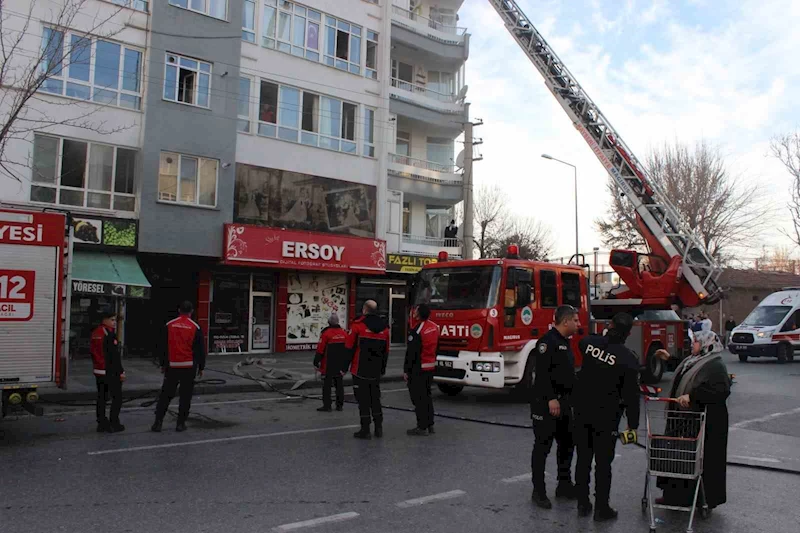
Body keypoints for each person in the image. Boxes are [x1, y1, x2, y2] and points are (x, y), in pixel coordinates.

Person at [573, 313, 641, 521]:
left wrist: (603, 337)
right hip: (607, 418)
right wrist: (633, 425)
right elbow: (631, 397)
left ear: (609, 325)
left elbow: (584, 341)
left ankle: (583, 503)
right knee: (603, 464)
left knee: (583, 460)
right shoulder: (628, 359)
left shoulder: (590, 344)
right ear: (628, 333)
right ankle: (601, 508)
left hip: (582, 412)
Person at [658, 330, 731, 511]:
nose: (693, 344)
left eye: (696, 342)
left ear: (707, 344)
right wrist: (669, 359)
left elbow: (721, 390)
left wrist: (693, 396)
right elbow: (685, 374)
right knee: (681, 456)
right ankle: (676, 496)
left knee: (702, 460)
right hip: (686, 420)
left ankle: (702, 498)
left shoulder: (715, 365)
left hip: (706, 422)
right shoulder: (695, 360)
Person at [530, 305, 580, 509]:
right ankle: (538, 491)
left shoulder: (565, 343)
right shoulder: (547, 343)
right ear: (565, 321)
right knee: (542, 447)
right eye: (575, 320)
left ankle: (564, 485)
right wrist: (551, 398)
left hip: (565, 403)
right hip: (545, 404)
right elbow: (541, 374)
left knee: (567, 444)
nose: (579, 324)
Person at [152, 301, 206, 433]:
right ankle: (180, 424)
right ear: (191, 311)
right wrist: (201, 367)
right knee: (185, 396)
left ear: (179, 310)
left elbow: (162, 347)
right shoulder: (195, 327)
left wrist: (163, 364)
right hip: (188, 366)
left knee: (166, 395)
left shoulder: (169, 325)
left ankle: (158, 422)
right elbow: (200, 349)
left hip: (172, 366)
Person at [346, 300, 390, 439]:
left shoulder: (358, 325)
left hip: (360, 370)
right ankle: (379, 428)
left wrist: (343, 367)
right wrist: (382, 369)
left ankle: (365, 430)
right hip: (375, 371)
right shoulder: (385, 329)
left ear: (365, 310)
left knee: (363, 401)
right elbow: (386, 352)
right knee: (375, 399)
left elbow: (348, 347)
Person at [404, 304, 439, 436]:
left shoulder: (417, 330)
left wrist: (406, 370)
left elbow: (412, 353)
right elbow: (437, 347)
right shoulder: (435, 327)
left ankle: (421, 426)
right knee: (427, 396)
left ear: (419, 314)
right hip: (430, 367)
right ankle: (430, 424)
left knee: (418, 399)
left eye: (416, 311)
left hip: (418, 369)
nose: (414, 313)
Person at [90, 310, 126, 433]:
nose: (114, 322)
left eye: (115, 320)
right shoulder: (109, 334)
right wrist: (121, 371)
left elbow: (93, 352)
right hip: (110, 371)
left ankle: (101, 423)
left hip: (98, 370)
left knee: (101, 398)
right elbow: (113, 356)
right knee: (117, 398)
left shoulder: (96, 332)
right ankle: (114, 423)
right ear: (104, 320)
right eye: (112, 320)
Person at [314, 314, 348, 412]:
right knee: (339, 385)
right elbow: (348, 349)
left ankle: (327, 405)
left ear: (329, 322)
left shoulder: (326, 333)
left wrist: (316, 361)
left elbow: (320, 349)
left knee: (327, 386)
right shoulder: (344, 333)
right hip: (340, 364)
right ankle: (339, 405)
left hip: (328, 364)